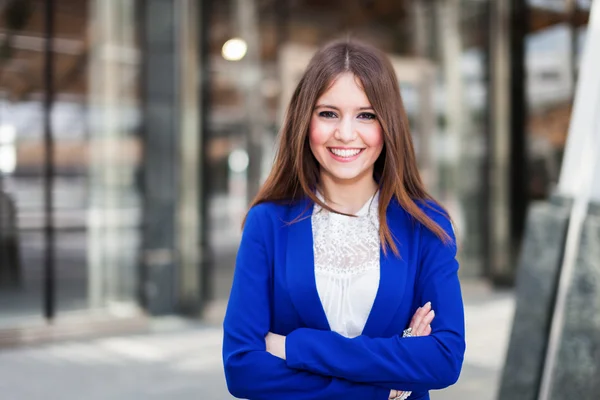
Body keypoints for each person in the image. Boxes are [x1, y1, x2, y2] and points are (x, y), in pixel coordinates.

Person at [222, 39, 465, 400]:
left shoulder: (425, 225)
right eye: (328, 113)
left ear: (389, 124)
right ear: (305, 121)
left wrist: (295, 347)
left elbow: (443, 360)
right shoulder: (268, 223)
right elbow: (242, 368)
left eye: (366, 115)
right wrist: (381, 386)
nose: (346, 133)